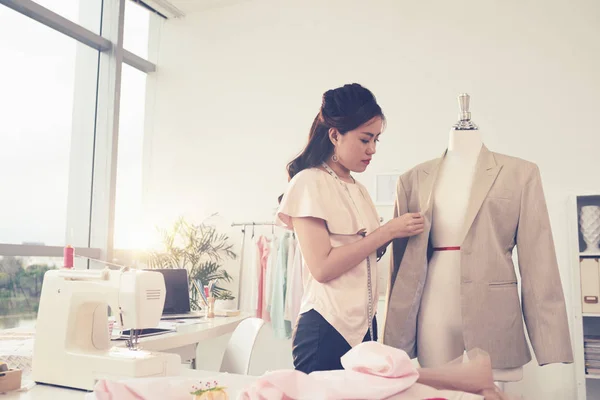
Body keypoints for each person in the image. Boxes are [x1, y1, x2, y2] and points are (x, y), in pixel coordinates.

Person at [275, 83, 424, 374]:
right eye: (365, 139)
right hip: (326, 329)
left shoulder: (359, 189)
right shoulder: (308, 183)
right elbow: (322, 267)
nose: (372, 150)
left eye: (377, 140)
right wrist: (387, 232)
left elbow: (363, 256)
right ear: (335, 135)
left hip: (366, 327)